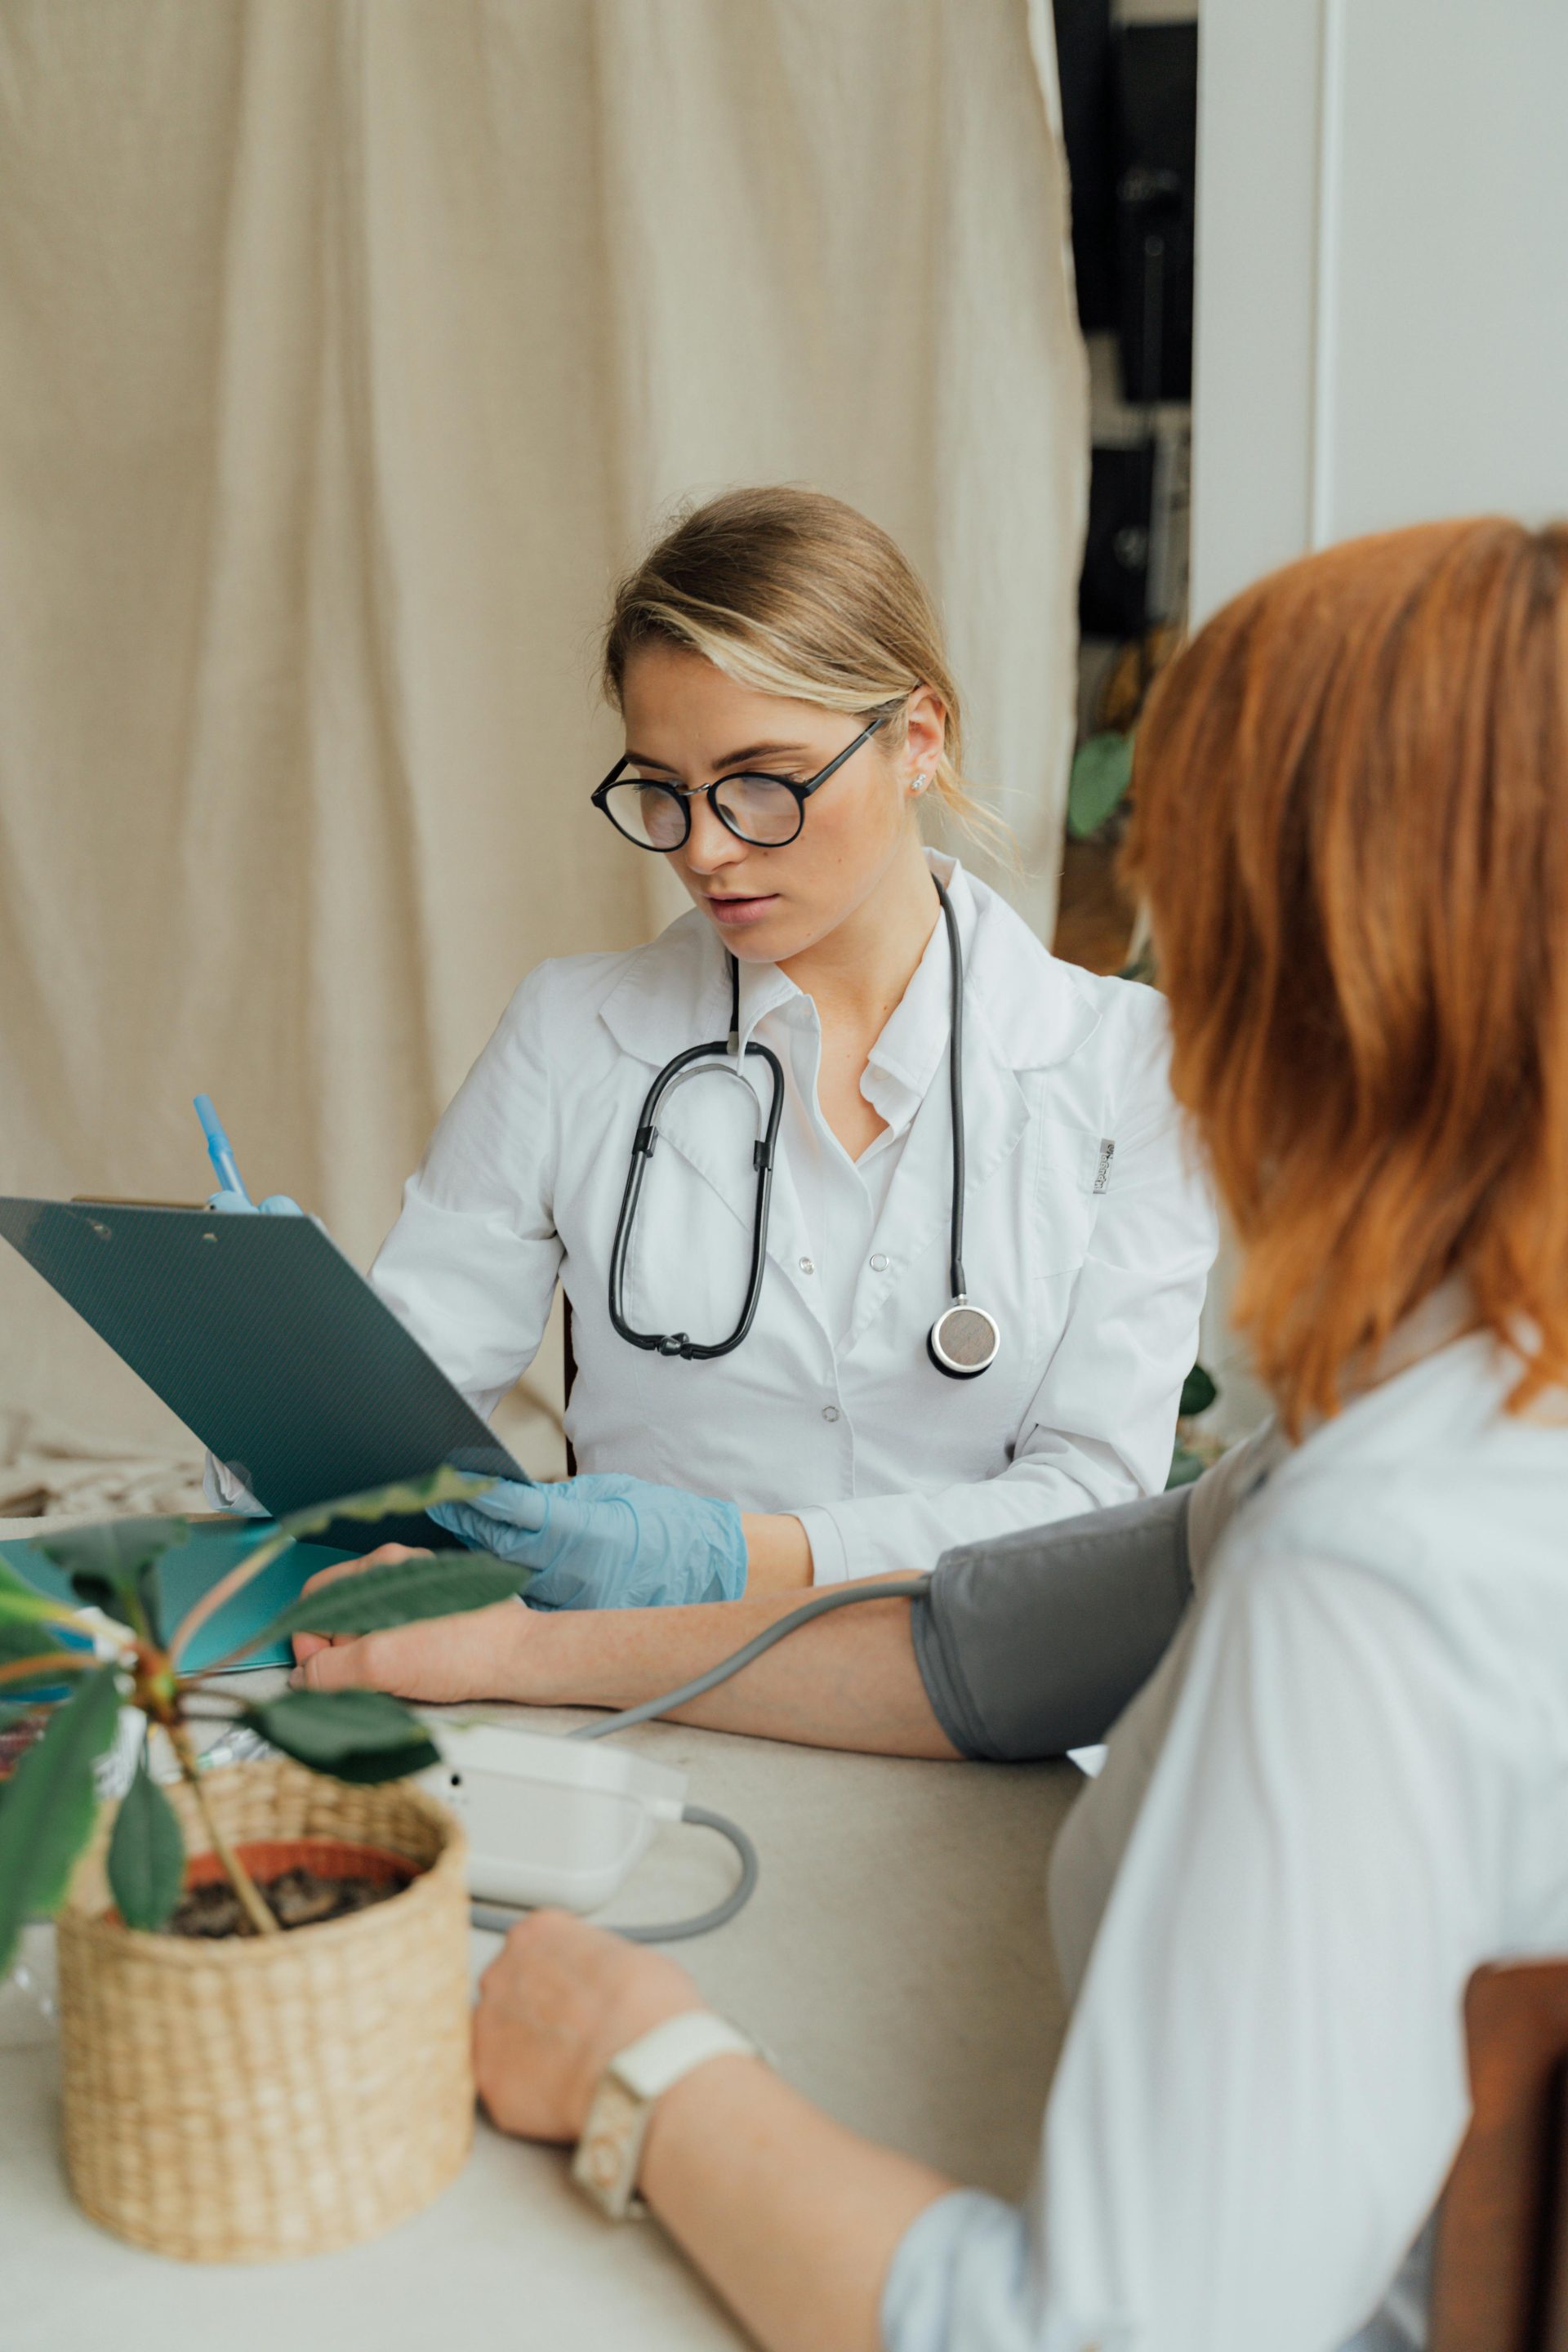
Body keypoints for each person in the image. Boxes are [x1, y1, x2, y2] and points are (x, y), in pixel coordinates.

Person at [305, 517, 1568, 2350]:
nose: (1168, 1001)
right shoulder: (1432, 1421)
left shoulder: (1373, 1571)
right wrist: (533, 1643)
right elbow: (995, 1648)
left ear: (1335, 979)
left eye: (1190, 919)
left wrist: (638, 2062)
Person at [229, 487, 1214, 1611]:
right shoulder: (570, 1035)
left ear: (918, 742)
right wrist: (282, 1374)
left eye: (761, 781)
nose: (702, 847)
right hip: (634, 1693)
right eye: (662, 791)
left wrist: (748, 1559)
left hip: (963, 1704)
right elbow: (379, 1447)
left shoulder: (1131, 1065)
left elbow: (1095, 1497)